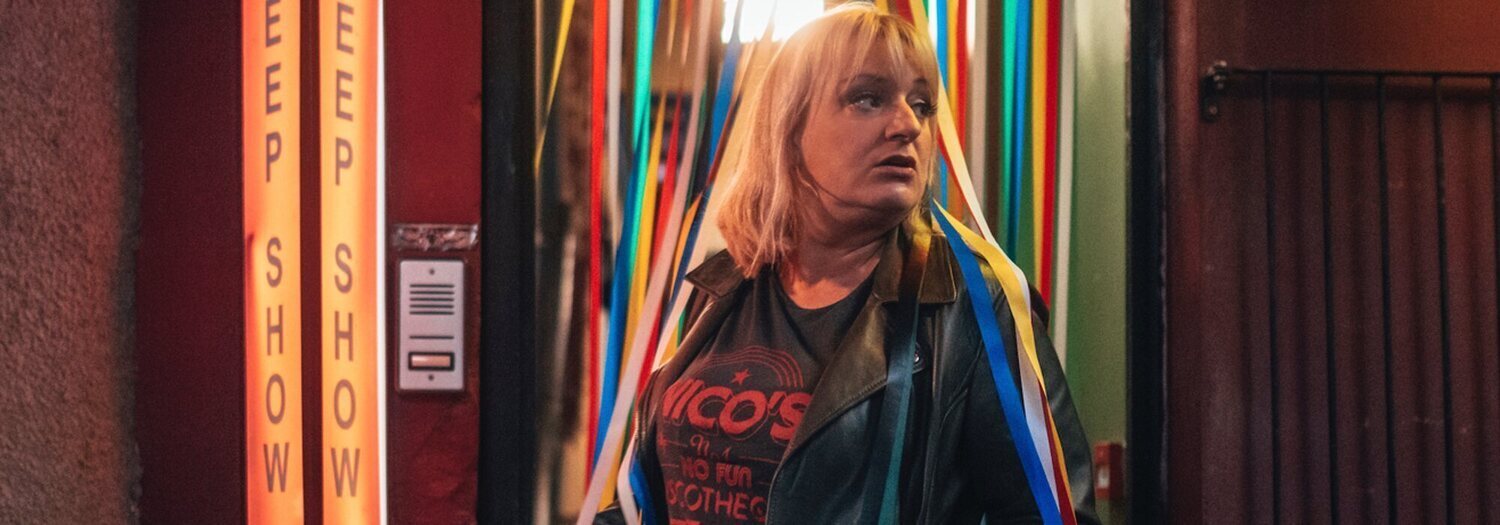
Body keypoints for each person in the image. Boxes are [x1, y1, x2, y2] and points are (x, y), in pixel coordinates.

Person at [599, 3, 1096, 523]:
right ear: (789, 127)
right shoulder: (723, 285)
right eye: (867, 98)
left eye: (922, 104)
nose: (907, 125)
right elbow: (642, 502)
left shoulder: (973, 302)